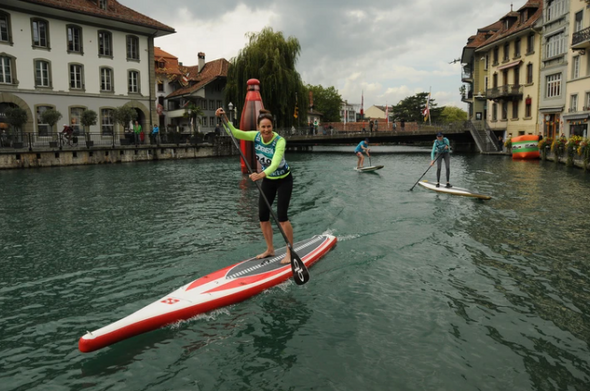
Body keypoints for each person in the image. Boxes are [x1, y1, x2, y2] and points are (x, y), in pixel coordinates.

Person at [216, 107, 295, 265]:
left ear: (273, 127)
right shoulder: (256, 136)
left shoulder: (279, 141)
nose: (266, 130)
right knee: (263, 216)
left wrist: (260, 175)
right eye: (263, 127)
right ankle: (270, 249)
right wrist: (223, 119)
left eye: (269, 127)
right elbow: (236, 133)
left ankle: (290, 252)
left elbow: (275, 163)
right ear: (259, 127)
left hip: (283, 180)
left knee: (282, 217)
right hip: (268, 180)